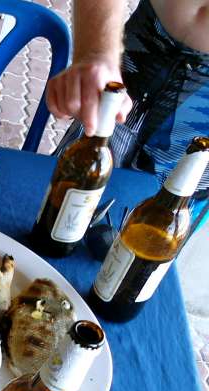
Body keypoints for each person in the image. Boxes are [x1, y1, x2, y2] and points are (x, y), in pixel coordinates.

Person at [46, 0, 209, 224]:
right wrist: (95, 53)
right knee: (56, 205)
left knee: (153, 234)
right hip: (133, 58)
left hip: (199, 133)